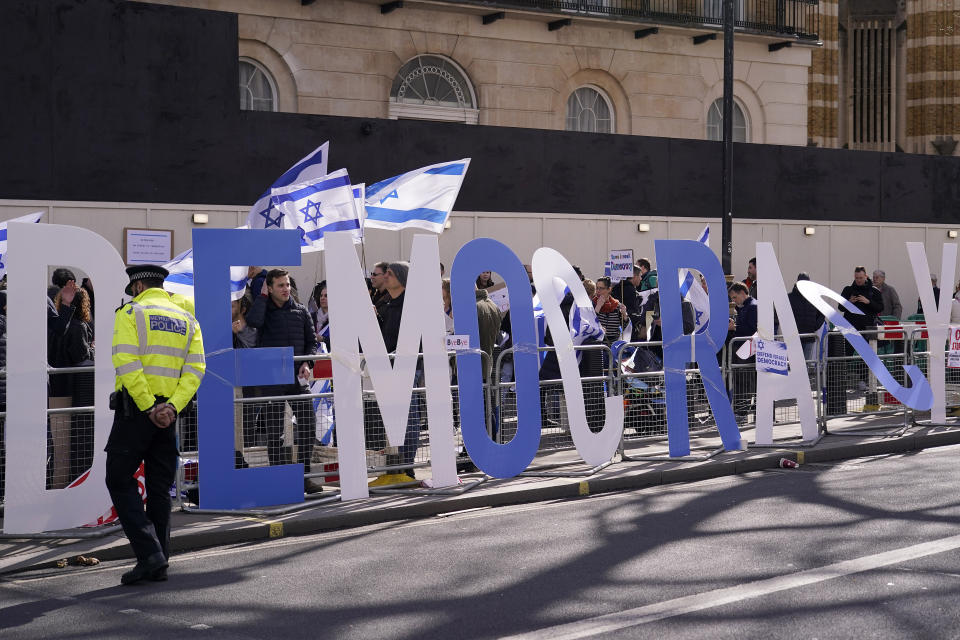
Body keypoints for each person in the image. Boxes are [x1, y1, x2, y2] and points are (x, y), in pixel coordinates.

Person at [106, 264, 205, 585]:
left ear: (136, 287)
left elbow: (126, 361)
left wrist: (149, 406)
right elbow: (196, 369)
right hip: (169, 415)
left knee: (119, 480)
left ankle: (150, 554)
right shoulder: (188, 320)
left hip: (137, 411)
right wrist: (171, 407)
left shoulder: (131, 312)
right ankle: (158, 560)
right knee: (160, 490)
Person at [245, 269, 320, 492]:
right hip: (272, 380)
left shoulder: (301, 311)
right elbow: (253, 321)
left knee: (308, 424)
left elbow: (312, 343)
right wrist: (262, 297)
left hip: (297, 380)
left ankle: (304, 476)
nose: (286, 289)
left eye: (287, 285)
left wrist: (308, 363)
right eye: (280, 286)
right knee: (275, 431)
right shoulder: (263, 310)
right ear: (269, 288)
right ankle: (279, 478)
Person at [50, 280, 95, 483]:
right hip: (70, 391)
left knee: (57, 451)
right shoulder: (78, 327)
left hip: (53, 388)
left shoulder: (54, 324)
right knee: (66, 452)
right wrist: (93, 349)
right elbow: (80, 356)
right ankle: (60, 499)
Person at [839, 266, 883, 390]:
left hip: (867, 328)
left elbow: (880, 307)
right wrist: (849, 302)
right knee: (846, 354)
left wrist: (868, 302)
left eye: (861, 278)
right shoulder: (848, 290)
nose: (858, 280)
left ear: (866, 276)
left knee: (866, 356)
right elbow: (840, 307)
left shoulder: (874, 291)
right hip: (850, 328)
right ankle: (841, 379)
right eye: (856, 278)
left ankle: (864, 380)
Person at [728, 282, 757, 420]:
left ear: (742, 293)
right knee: (740, 381)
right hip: (741, 349)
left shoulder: (752, 307)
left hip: (747, 350)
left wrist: (735, 328)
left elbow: (752, 329)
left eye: (734, 297)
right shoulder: (745, 307)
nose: (734, 301)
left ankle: (742, 412)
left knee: (745, 381)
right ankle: (740, 410)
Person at [788, 273, 824, 361]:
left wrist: (815, 326)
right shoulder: (790, 298)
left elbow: (822, 314)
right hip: (794, 338)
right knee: (795, 364)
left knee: (806, 364)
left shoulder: (814, 298)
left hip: (809, 337)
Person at [592, 277, 628, 345]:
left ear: (609, 289)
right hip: (598, 344)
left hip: (613, 345)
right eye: (597, 288)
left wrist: (625, 316)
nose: (598, 291)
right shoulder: (592, 304)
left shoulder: (617, 305)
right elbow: (590, 323)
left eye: (601, 288)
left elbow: (625, 328)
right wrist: (598, 307)